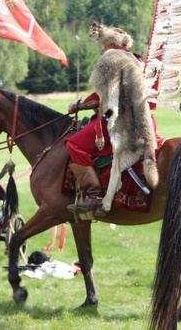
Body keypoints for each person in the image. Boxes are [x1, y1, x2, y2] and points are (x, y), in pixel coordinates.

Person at [65, 23, 152, 217]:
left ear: (111, 44)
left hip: (121, 122)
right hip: (145, 121)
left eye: (103, 46)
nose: (102, 50)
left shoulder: (112, 59)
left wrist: (77, 105)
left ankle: (94, 197)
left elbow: (100, 98)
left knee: (73, 144)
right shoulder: (138, 60)